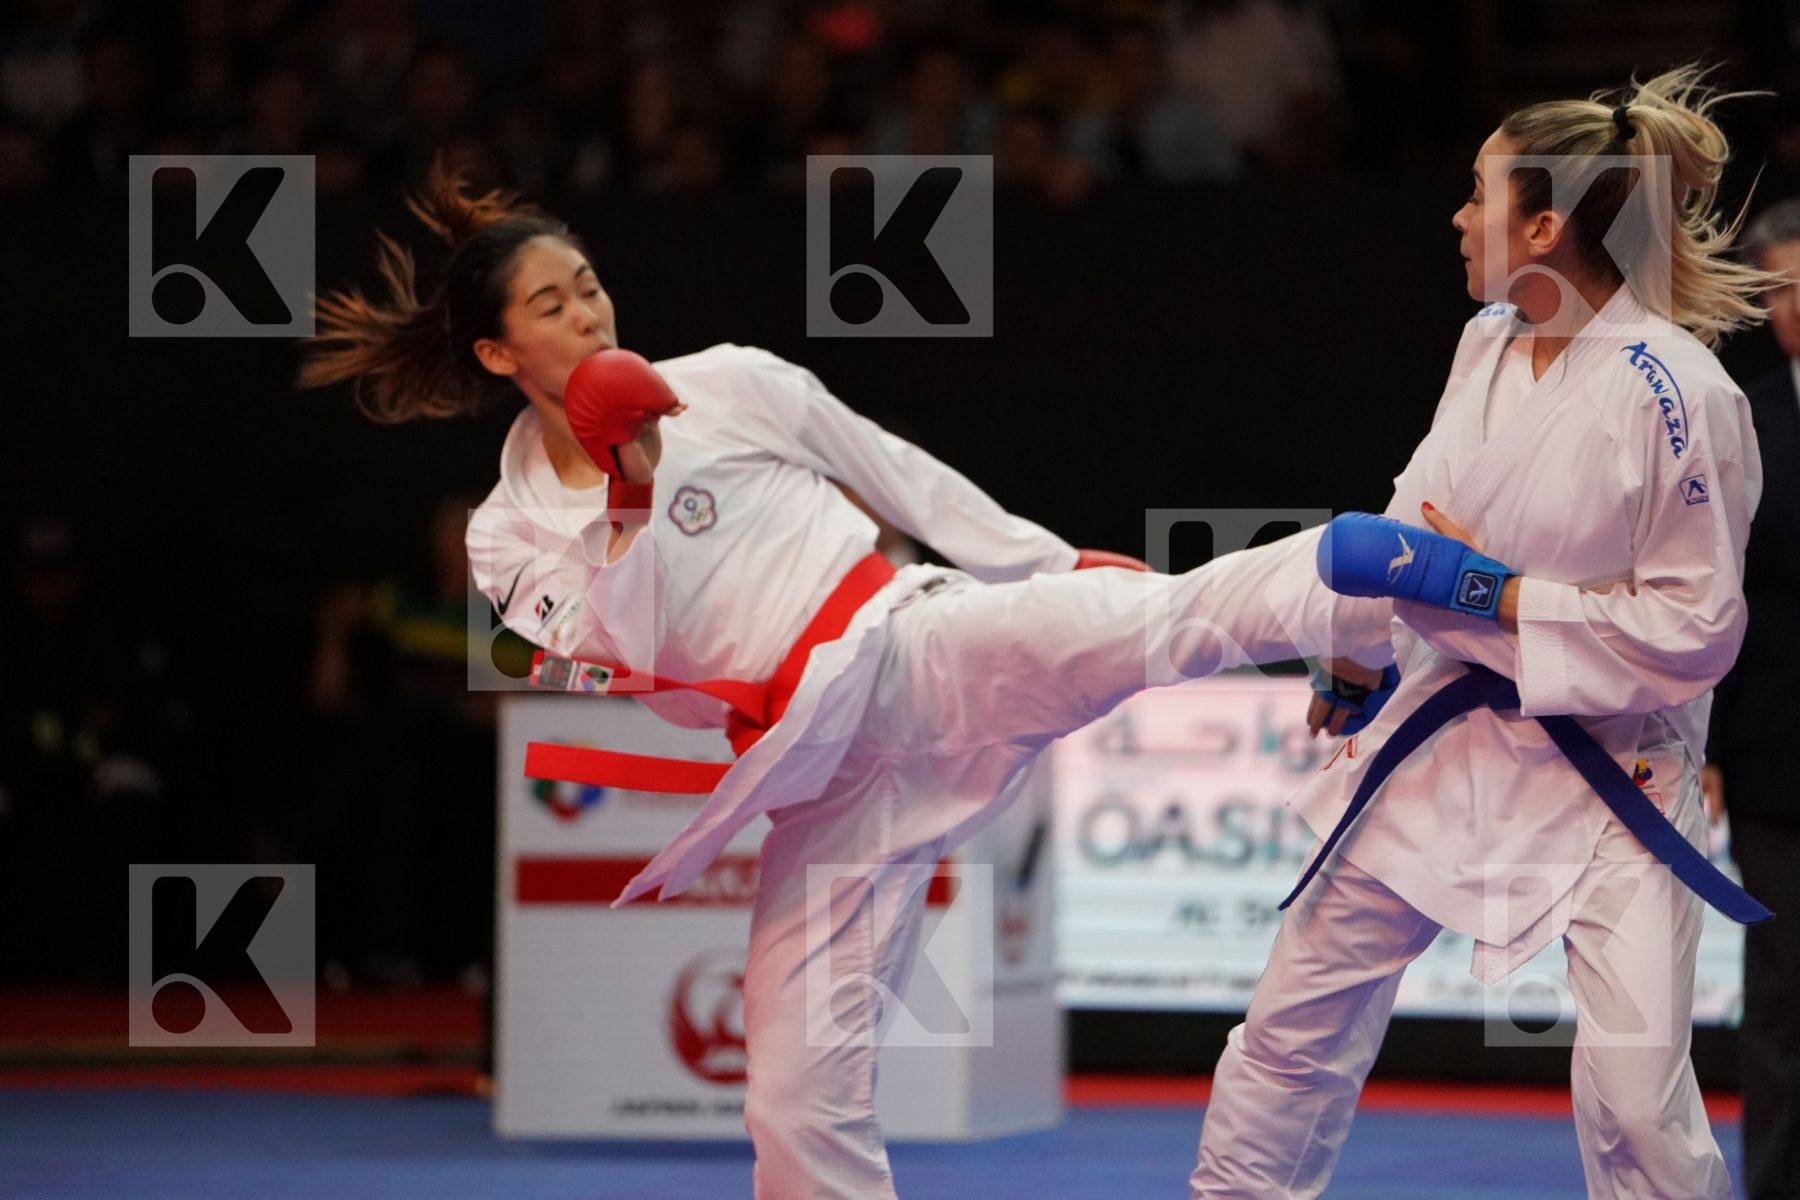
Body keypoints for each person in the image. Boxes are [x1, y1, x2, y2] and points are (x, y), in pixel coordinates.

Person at [298, 161, 1393, 1199]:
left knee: (1163, 618)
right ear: (498, 353)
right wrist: (632, 497)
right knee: (791, 1098)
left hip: (911, 644)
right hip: (814, 771)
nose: (588, 313)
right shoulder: (507, 534)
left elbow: (903, 478)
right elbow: (621, 655)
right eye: (552, 304)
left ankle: (1378, 591)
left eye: (587, 284)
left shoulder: (728, 383)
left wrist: (1053, 564)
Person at [1189, 65, 1778, 1198]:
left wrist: (1497, 595)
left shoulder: (1682, 393)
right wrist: (1357, 650)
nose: (1459, 218)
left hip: (1615, 769)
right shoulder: (1488, 343)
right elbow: (1410, 528)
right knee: (1289, 1034)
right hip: (1442, 732)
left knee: (1637, 1108)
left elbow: (1697, 630)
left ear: (1544, 227)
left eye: (1479, 194)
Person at [1704, 195, 1800, 1200]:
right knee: (1778, 995)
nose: (1792, 307)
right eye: (1777, 290)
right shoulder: (1744, 421)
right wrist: (1711, 745)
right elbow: (1714, 599)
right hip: (1777, 756)